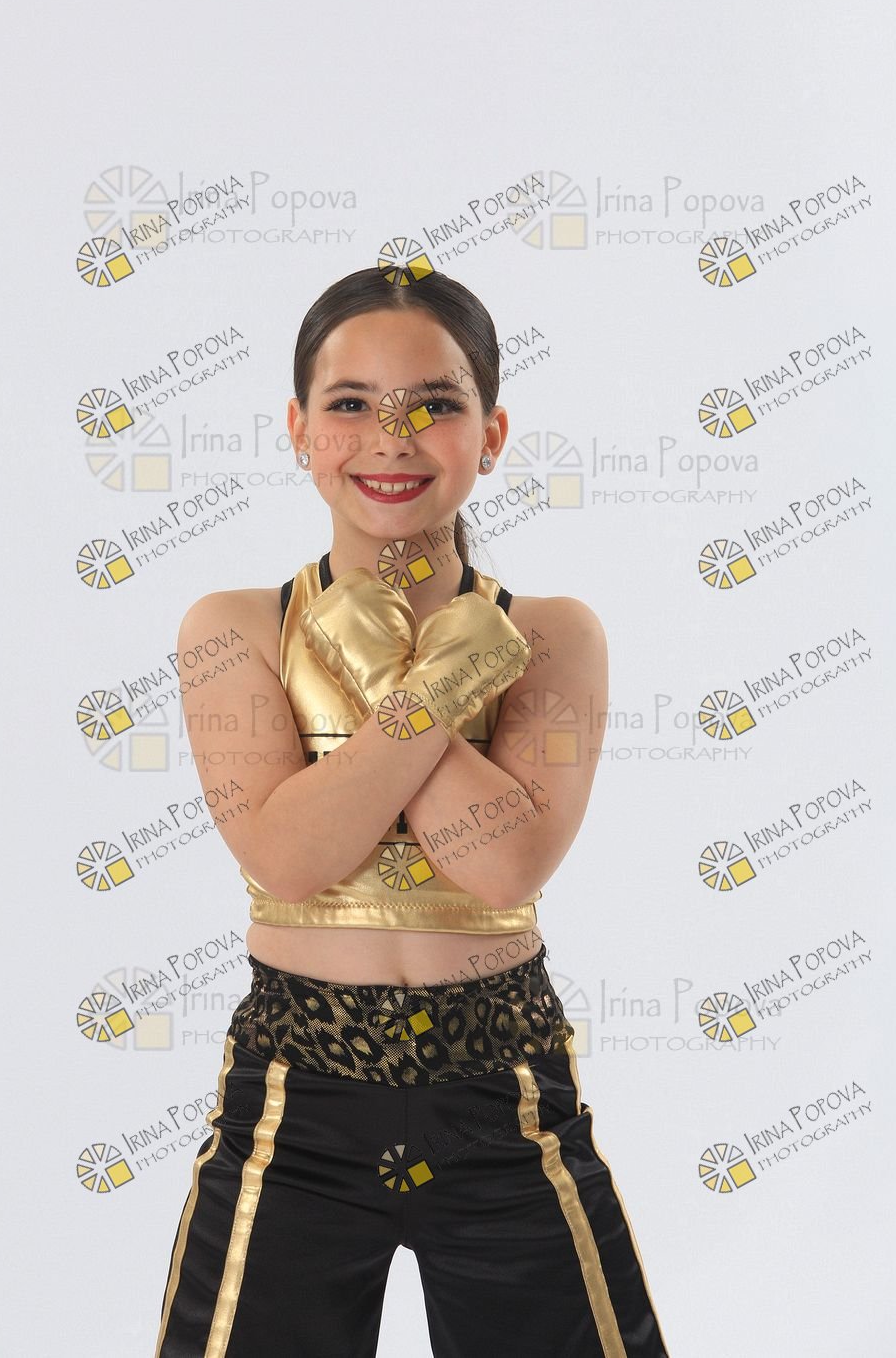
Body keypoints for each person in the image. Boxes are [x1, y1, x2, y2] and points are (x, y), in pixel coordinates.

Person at [153, 266, 671, 1357]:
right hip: (292, 1104)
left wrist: (388, 670)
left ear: (492, 434)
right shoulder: (233, 627)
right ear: (300, 428)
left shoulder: (553, 635)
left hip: (506, 1098)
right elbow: (288, 856)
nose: (392, 437)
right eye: (351, 403)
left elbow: (503, 866)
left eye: (434, 403)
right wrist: (434, 681)